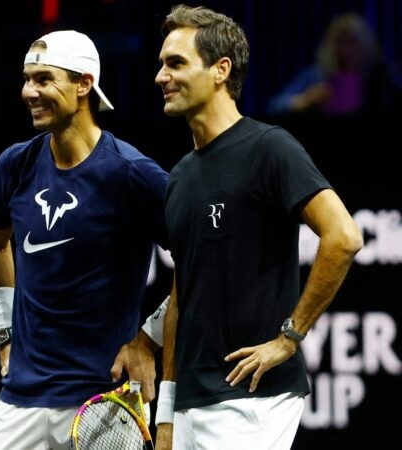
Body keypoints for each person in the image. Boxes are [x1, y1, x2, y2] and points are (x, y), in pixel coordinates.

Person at [152, 4, 364, 450]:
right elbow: (179, 297)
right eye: (160, 65)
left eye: (175, 63)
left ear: (220, 70)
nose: (160, 77)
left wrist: (288, 339)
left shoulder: (271, 149)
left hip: (252, 401)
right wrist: (166, 411)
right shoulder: (179, 177)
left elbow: (343, 236)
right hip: (190, 404)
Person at [0, 29, 170, 450]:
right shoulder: (14, 165)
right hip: (18, 403)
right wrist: (4, 335)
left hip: (106, 401)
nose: (30, 91)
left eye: (45, 79)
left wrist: (147, 341)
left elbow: (204, 259)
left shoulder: (133, 174)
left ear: (85, 84)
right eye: (27, 79)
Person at [266, 12, 402, 118]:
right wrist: (305, 101)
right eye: (339, 43)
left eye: (351, 42)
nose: (344, 50)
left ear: (365, 45)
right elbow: (274, 106)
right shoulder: (317, 75)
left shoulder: (381, 77)